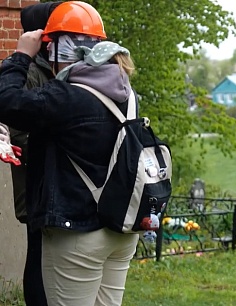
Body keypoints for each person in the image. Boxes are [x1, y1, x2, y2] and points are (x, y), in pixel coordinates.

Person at [0, 1, 138, 305]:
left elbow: (6, 101)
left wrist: (21, 55)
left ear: (57, 50)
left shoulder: (66, 96)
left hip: (78, 234)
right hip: (120, 229)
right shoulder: (125, 92)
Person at [0, 3, 63, 305]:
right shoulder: (28, 71)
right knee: (37, 253)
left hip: (49, 179)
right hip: (34, 179)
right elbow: (17, 130)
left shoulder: (49, 67)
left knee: (47, 256)